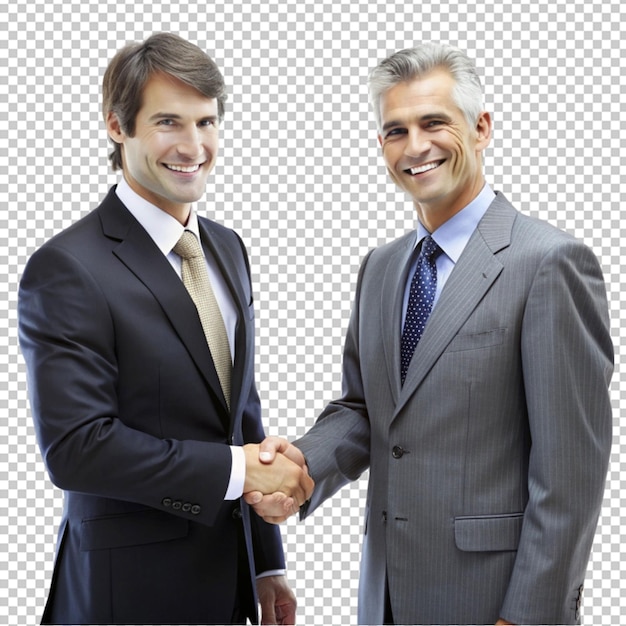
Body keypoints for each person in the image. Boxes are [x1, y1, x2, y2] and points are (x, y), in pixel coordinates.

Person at [245, 43, 613, 625]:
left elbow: (569, 472)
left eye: (433, 122)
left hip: (490, 601)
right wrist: (301, 469)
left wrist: (527, 618)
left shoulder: (549, 262)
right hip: (386, 594)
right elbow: (365, 409)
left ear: (482, 127)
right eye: (396, 131)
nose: (415, 146)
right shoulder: (382, 267)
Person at [18, 32, 313, 626]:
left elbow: (240, 415)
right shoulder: (68, 267)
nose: (193, 145)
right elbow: (77, 448)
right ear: (117, 127)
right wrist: (237, 472)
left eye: (207, 122)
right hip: (127, 595)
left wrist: (264, 563)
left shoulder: (227, 249)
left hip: (228, 584)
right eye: (169, 122)